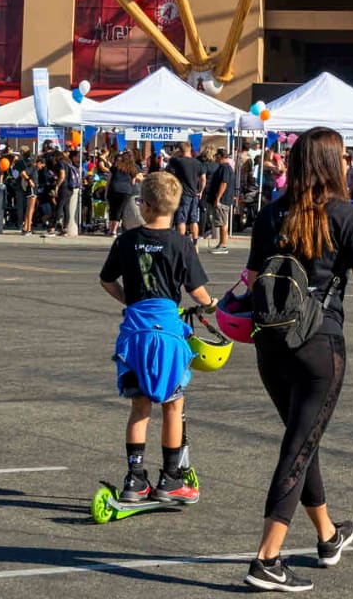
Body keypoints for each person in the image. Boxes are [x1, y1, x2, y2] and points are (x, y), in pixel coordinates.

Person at [243, 127, 353, 593]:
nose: (347, 163)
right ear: (329, 163)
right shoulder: (344, 215)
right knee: (298, 445)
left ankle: (326, 536)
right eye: (342, 157)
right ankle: (266, 558)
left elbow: (250, 277)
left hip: (271, 342)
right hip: (318, 343)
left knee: (304, 438)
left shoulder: (270, 214)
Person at [99, 171, 213, 505]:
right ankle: (171, 478)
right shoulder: (181, 243)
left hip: (135, 334)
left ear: (144, 206)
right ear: (175, 207)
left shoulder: (126, 241)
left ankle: (135, 479)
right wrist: (214, 303)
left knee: (139, 409)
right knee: (173, 405)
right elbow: (198, 292)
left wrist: (131, 301)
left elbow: (107, 280)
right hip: (168, 336)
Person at [165, 142, 205, 247]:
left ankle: (181, 242)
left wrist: (176, 154)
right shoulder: (198, 163)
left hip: (184, 194)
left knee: (181, 219)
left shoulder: (178, 161)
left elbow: (169, 160)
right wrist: (200, 191)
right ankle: (195, 242)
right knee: (193, 219)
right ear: (190, 149)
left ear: (180, 150)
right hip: (194, 195)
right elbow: (203, 179)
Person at [106, 150, 142, 237]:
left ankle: (110, 229)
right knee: (119, 210)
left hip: (113, 188)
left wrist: (106, 190)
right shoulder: (134, 167)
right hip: (126, 190)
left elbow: (109, 178)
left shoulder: (116, 166)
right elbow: (133, 182)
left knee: (112, 209)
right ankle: (114, 231)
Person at [205, 147, 234, 254]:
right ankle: (221, 244)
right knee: (222, 221)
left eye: (216, 156)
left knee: (222, 222)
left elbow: (224, 183)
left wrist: (218, 198)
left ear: (221, 157)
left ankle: (223, 245)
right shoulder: (225, 167)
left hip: (223, 199)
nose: (215, 158)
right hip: (223, 199)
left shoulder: (225, 168)